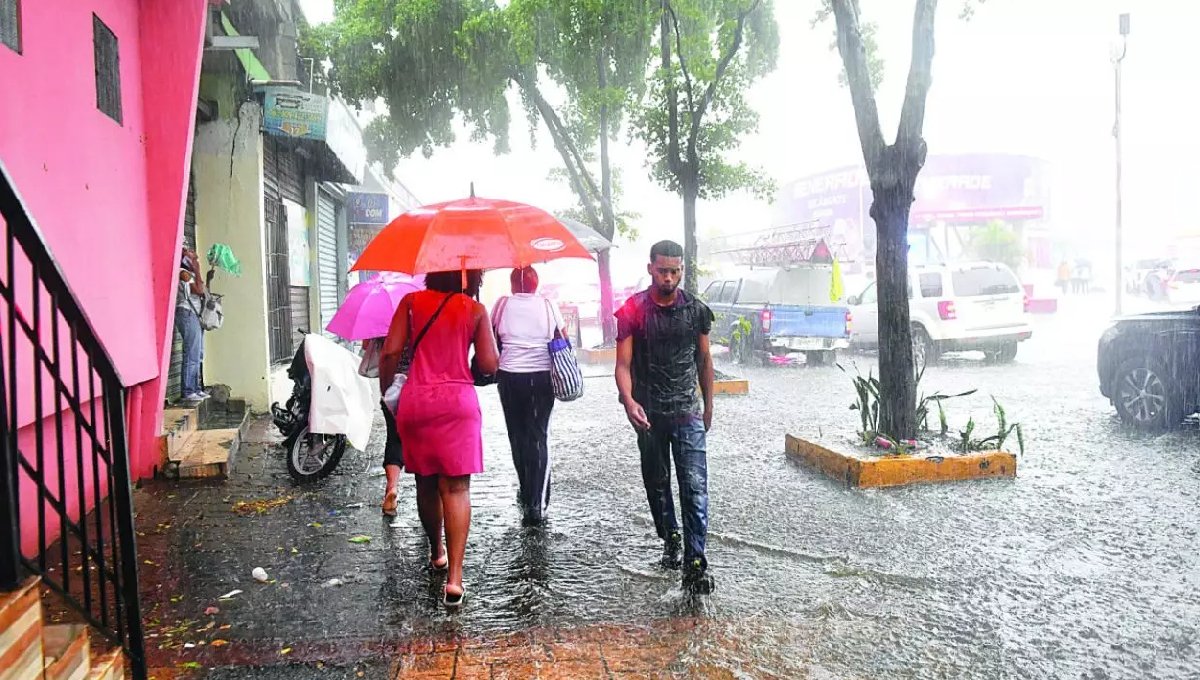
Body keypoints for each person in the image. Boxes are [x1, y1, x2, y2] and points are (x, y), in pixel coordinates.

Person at [378, 270, 498, 608]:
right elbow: (489, 365)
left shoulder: (411, 302)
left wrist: (387, 390)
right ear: (469, 277)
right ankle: (455, 580)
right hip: (458, 403)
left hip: (417, 400)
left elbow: (389, 353)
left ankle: (436, 552)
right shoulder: (474, 309)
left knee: (426, 483)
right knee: (457, 489)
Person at [615, 240, 716, 595]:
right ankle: (670, 536)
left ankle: (696, 562)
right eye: (662, 271)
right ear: (650, 269)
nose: (669, 278)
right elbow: (623, 364)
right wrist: (628, 400)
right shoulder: (633, 310)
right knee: (657, 485)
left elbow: (704, 359)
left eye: (675, 271)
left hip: (687, 411)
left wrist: (709, 405)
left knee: (695, 487)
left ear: (682, 270)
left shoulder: (696, 311)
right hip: (649, 413)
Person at [492, 266, 566, 526]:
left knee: (517, 436)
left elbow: (492, 336)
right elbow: (562, 337)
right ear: (536, 284)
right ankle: (536, 503)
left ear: (513, 284)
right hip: (541, 377)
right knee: (538, 436)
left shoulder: (502, 305)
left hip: (509, 377)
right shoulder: (548, 304)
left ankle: (526, 490)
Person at [359, 336, 404, 517]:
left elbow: (366, 346)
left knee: (394, 439)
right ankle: (430, 495)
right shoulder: (421, 319)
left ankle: (392, 487)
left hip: (393, 388)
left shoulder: (381, 322)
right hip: (422, 386)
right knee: (423, 443)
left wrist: (385, 389)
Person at [175, 248, 207, 402]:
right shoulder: (183, 273)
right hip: (187, 313)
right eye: (191, 253)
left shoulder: (191, 274)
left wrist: (205, 276)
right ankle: (188, 391)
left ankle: (196, 388)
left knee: (198, 353)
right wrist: (197, 269)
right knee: (192, 352)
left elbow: (204, 291)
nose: (195, 255)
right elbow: (199, 290)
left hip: (194, 315)